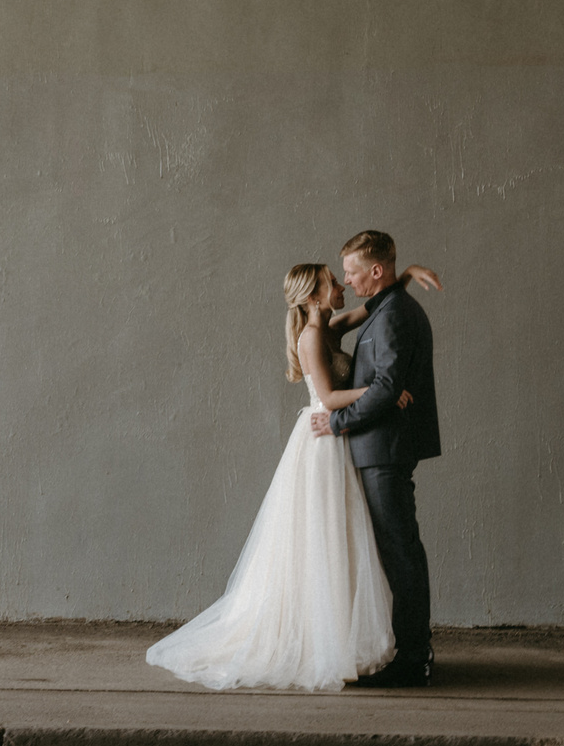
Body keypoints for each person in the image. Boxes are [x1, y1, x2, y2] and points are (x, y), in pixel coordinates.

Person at [146, 257, 441, 692]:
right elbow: (327, 395)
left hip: (337, 439)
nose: (341, 285)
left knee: (342, 541)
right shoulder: (310, 336)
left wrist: (407, 274)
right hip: (322, 439)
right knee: (321, 541)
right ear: (312, 296)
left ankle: (343, 640)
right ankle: (320, 644)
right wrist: (382, 392)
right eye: (331, 282)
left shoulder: (330, 326)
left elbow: (374, 305)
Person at [309, 229, 440, 688]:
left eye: (352, 272)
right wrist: (403, 277)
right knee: (393, 550)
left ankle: (413, 659)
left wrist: (337, 423)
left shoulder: (392, 318)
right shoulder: (386, 308)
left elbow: (386, 388)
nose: (347, 280)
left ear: (375, 271)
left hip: (385, 451)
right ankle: (406, 650)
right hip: (378, 449)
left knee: (400, 551)